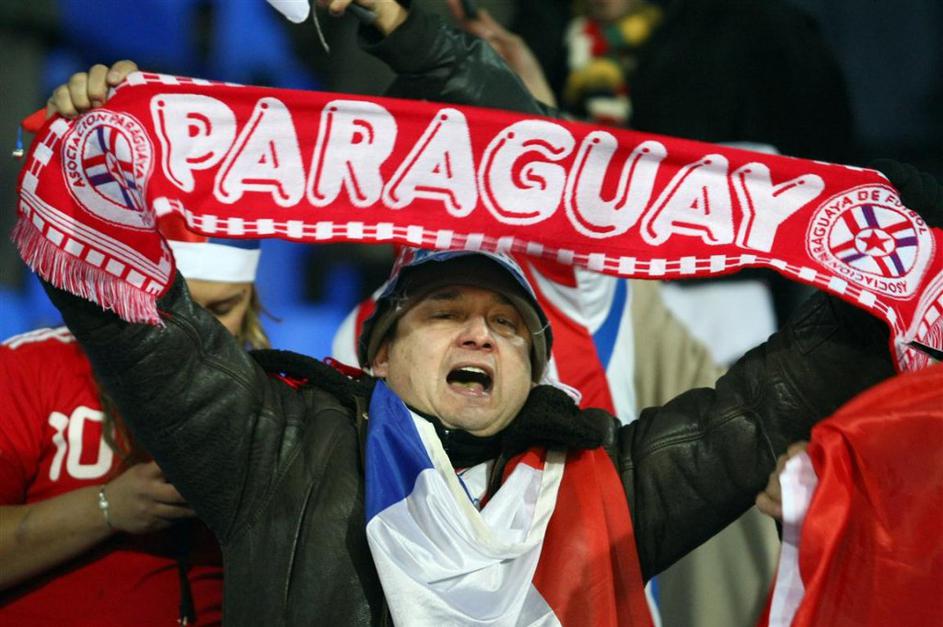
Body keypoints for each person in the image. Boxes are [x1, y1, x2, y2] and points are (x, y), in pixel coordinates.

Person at [34, 1, 916, 625]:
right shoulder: (277, 454)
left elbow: (768, 402)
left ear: (535, 370)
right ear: (376, 352)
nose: (479, 332)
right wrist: (96, 153)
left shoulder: (609, 482)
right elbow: (133, 320)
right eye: (444, 310)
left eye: (508, 325)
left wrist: (899, 233)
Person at [0, 213, 267, 625]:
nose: (198, 332)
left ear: (251, 302)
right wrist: (108, 508)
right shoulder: (26, 372)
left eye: (223, 308)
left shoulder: (272, 402)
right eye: (170, 308)